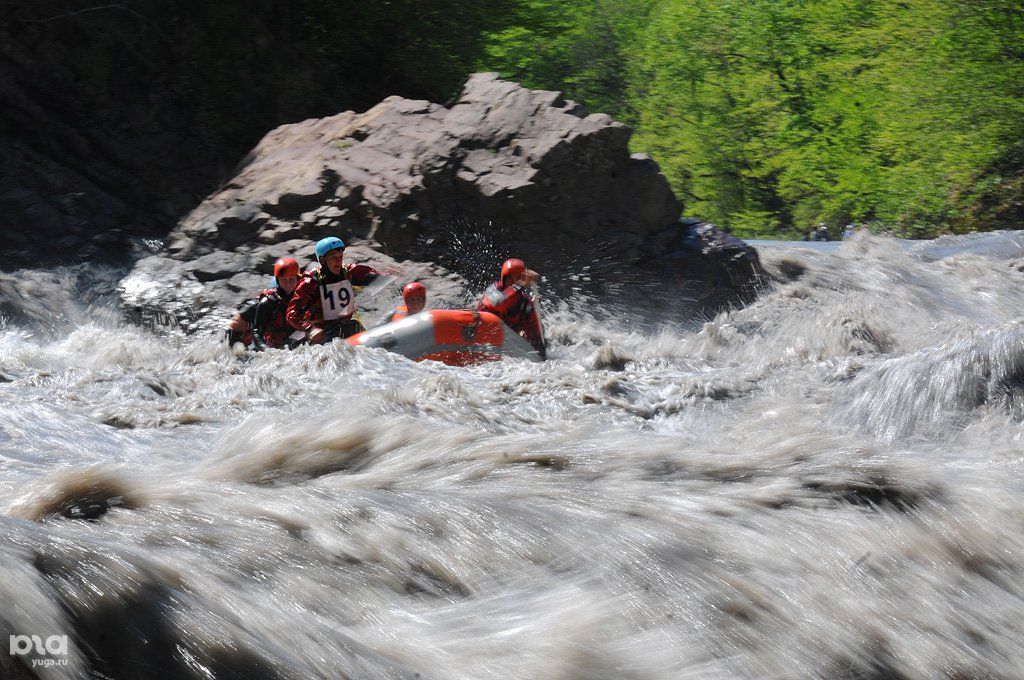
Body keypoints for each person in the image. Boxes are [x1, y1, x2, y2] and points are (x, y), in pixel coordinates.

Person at [286, 236, 381, 343]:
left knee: (355, 326)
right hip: (320, 333)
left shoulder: (347, 271)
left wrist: (387, 273)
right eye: (333, 258)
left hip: (345, 325)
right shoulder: (310, 282)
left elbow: (371, 272)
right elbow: (291, 314)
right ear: (322, 260)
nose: (338, 261)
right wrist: (310, 328)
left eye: (340, 257)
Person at [226, 257, 301, 350]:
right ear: (278, 280)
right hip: (249, 339)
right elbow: (254, 332)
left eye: (291, 279)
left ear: (298, 279)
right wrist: (266, 350)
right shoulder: (265, 303)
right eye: (284, 279)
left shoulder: (302, 298)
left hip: (279, 339)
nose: (288, 284)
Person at [478, 258, 546, 359]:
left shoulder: (525, 304)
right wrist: (520, 283)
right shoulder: (494, 291)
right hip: (485, 333)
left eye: (517, 278)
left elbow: (537, 338)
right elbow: (497, 302)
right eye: (508, 278)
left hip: (507, 344)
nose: (510, 282)